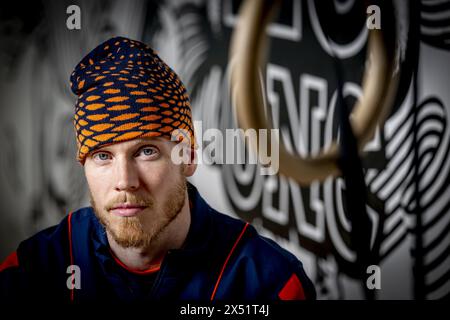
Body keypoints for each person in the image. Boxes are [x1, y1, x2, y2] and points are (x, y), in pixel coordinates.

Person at [0, 36, 315, 302]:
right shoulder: (32, 272)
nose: (125, 181)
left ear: (188, 157)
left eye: (146, 151)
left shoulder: (269, 285)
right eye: (102, 156)